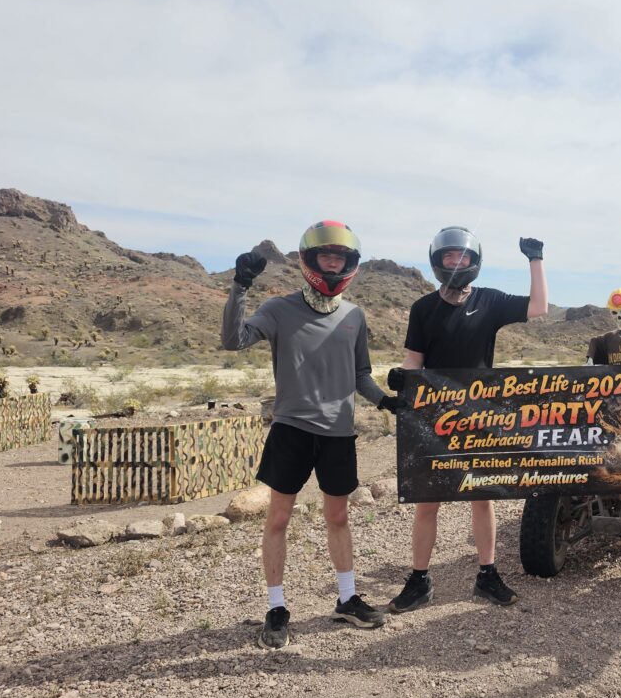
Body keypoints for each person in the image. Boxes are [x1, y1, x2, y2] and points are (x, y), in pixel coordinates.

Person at [222, 220, 399, 648]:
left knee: (338, 516)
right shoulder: (279, 309)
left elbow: (360, 374)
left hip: (339, 433)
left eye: (340, 257)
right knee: (279, 518)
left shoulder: (355, 315)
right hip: (292, 429)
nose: (333, 263)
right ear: (310, 260)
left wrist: (385, 401)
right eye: (327, 256)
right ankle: (277, 607)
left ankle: (346, 599)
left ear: (350, 263)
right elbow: (233, 340)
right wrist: (240, 286)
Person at [386, 227, 548, 611]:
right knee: (428, 502)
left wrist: (535, 259)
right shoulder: (423, 308)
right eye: (449, 257)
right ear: (437, 262)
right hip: (433, 417)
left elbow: (539, 307)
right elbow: (414, 359)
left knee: (482, 497)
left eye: (462, 257)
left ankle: (487, 575)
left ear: (474, 261)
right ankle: (419, 580)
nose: (456, 263)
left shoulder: (490, 301)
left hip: (480, 416)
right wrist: (402, 382)